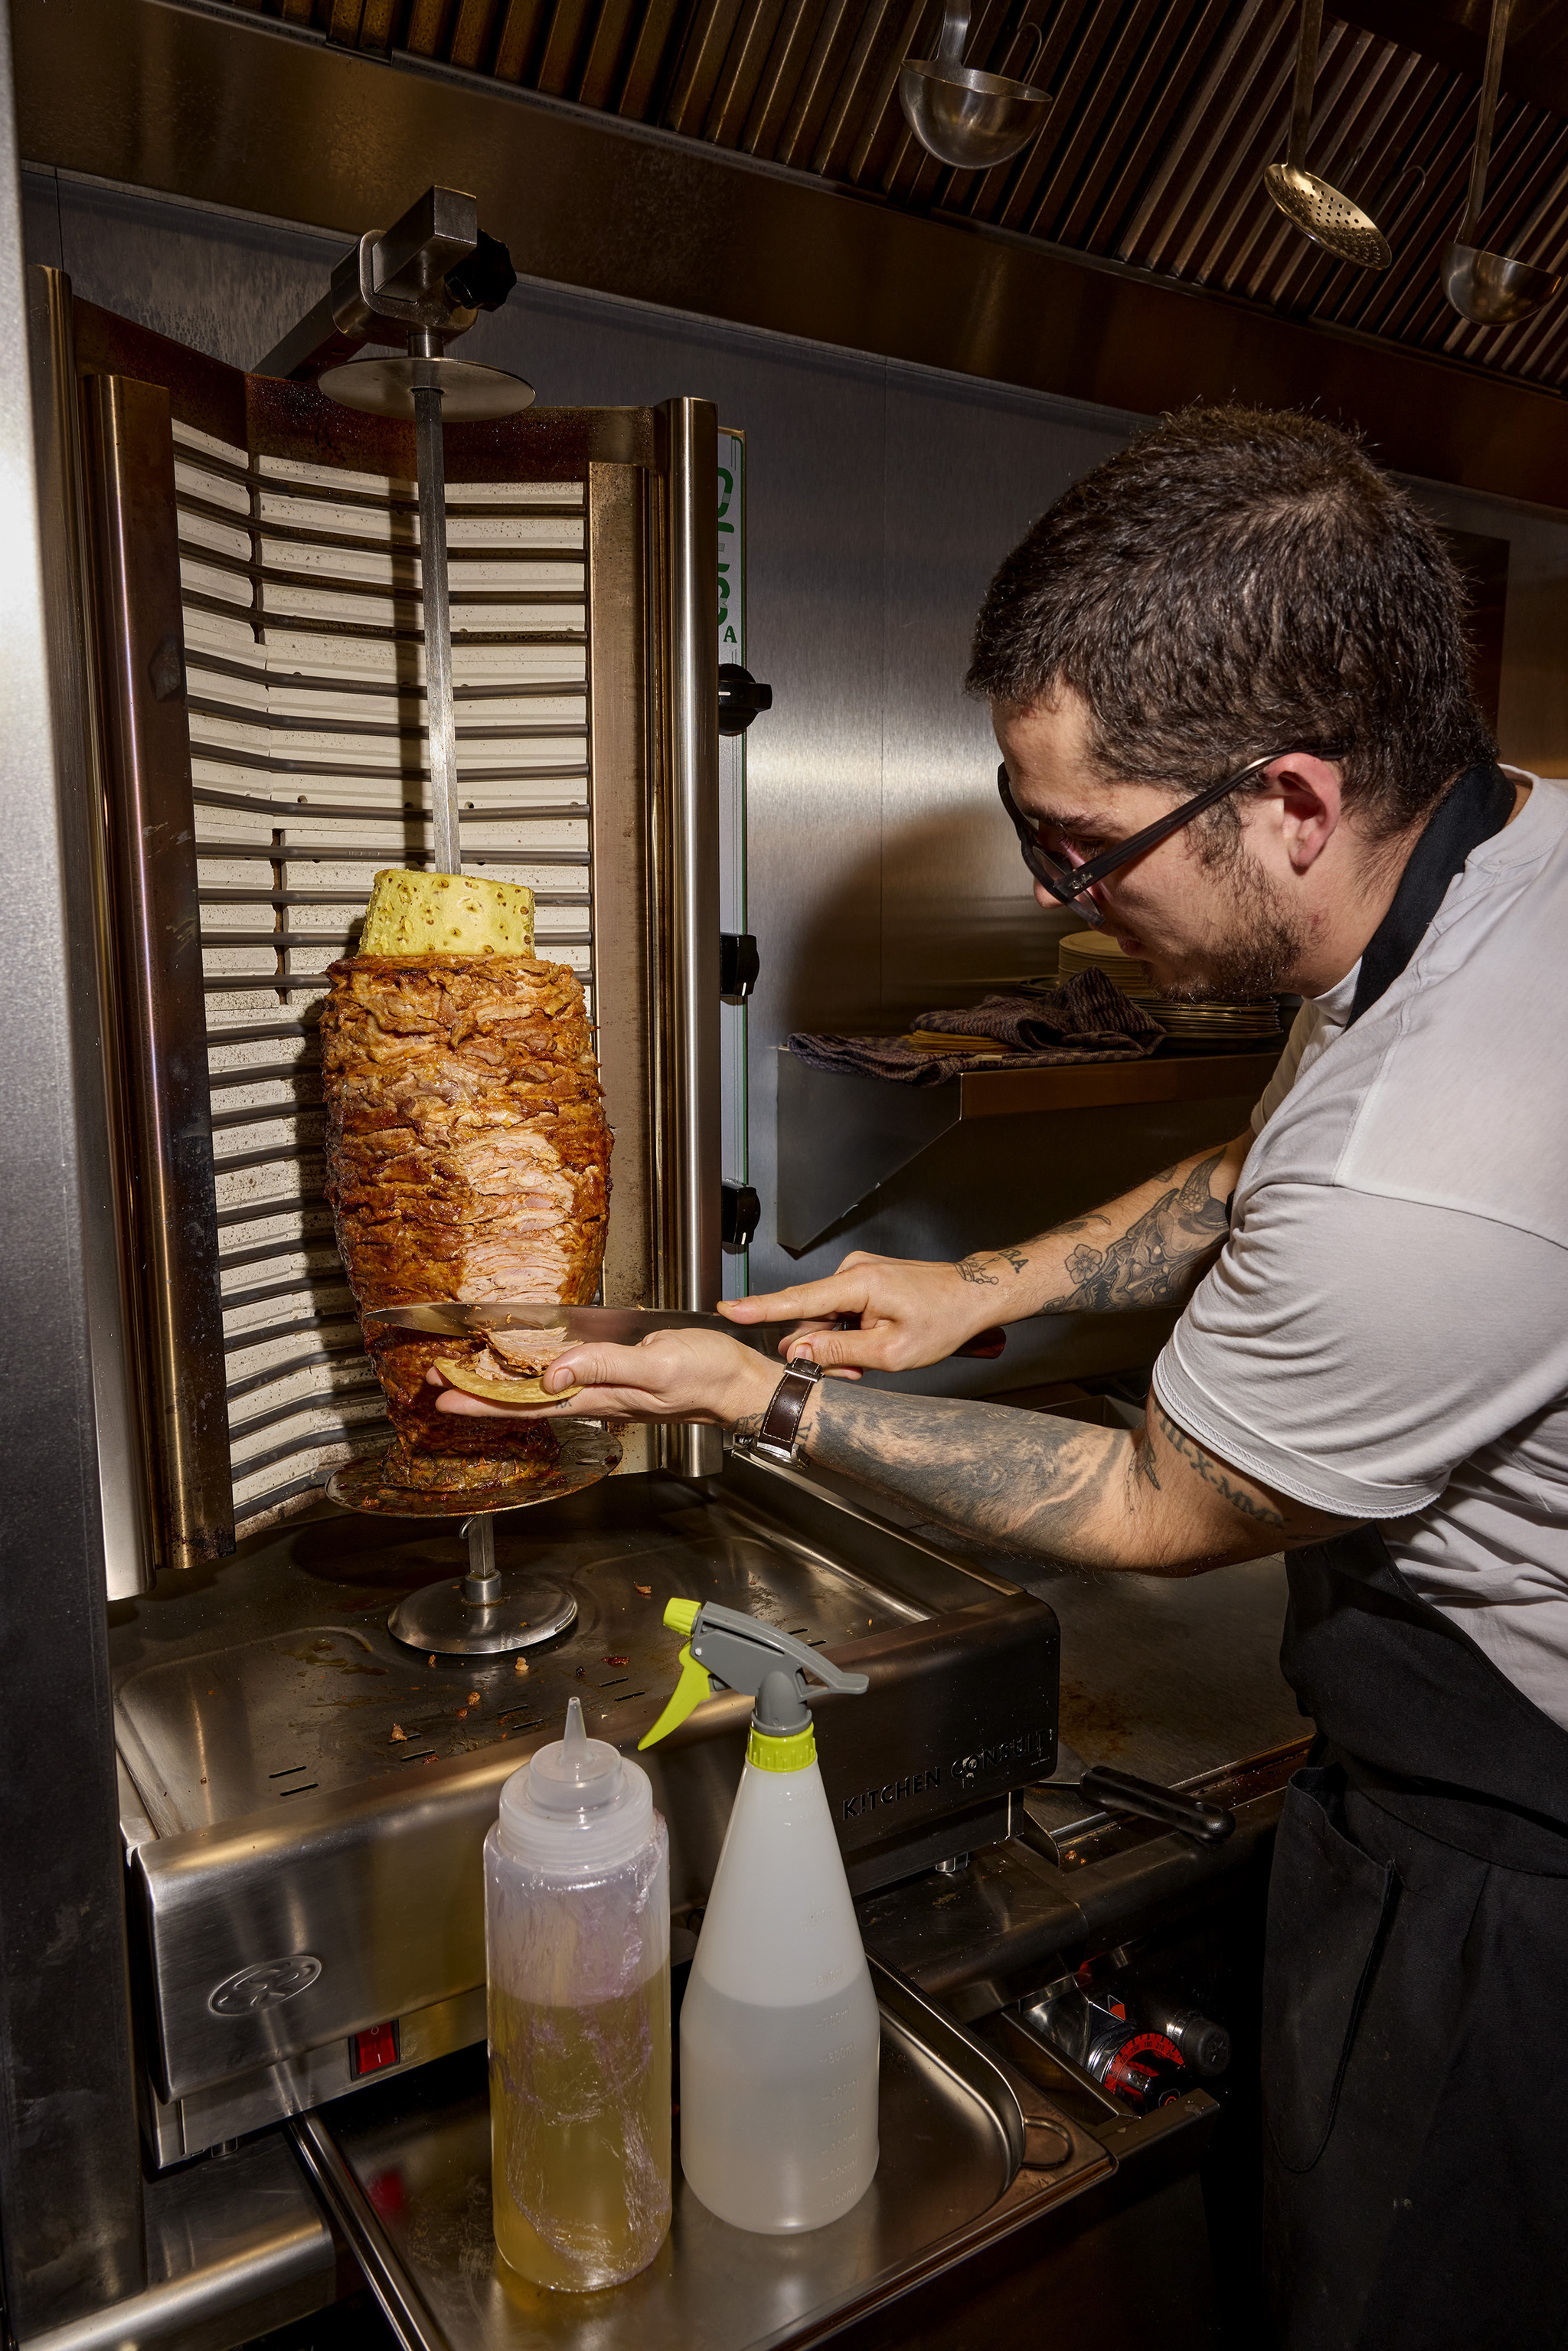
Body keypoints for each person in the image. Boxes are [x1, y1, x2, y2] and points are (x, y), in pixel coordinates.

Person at [434, 406, 1568, 2350]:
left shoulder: (1433, 1160)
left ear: (1288, 799)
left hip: (1511, 1850)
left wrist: (748, 1393)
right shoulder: (1486, 858)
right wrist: (984, 1285)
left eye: (1079, 842)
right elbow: (1260, 1161)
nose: (1056, 892)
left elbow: (1151, 1506)